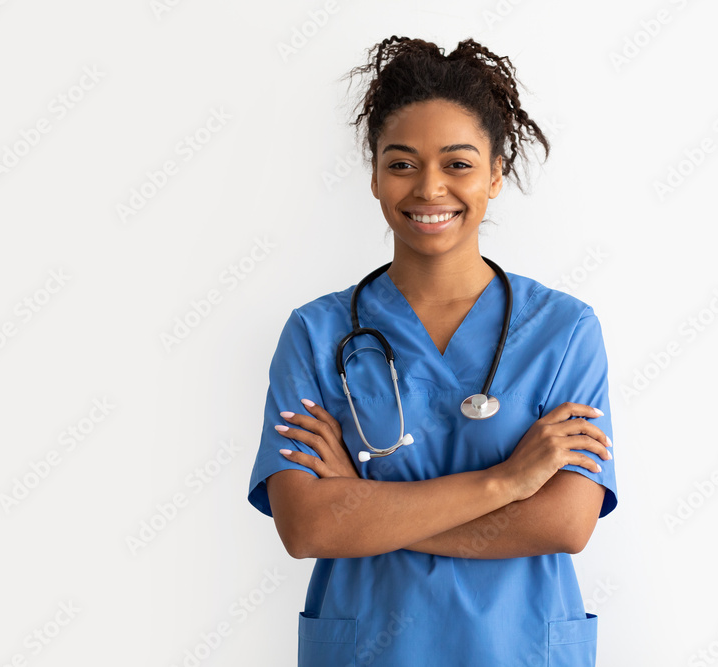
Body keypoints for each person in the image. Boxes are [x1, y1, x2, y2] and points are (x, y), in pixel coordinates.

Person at [247, 36, 618, 666]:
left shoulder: (563, 331)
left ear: (495, 174)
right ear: (374, 176)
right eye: (402, 163)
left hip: (517, 648)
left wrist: (363, 508)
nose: (429, 188)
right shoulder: (315, 333)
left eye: (458, 164)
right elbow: (308, 527)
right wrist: (507, 482)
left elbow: (564, 524)